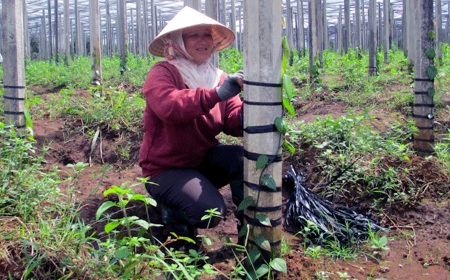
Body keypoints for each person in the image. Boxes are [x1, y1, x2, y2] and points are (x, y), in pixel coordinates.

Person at [139, 6, 244, 248]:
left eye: (206, 34)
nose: (202, 40)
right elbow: (170, 107)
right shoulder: (163, 72)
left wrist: (255, 111)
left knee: (241, 159)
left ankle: (248, 238)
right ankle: (177, 233)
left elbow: (232, 120)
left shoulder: (218, 77)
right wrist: (214, 95)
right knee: (210, 212)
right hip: (166, 170)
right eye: (193, 35)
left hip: (201, 161)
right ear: (177, 42)